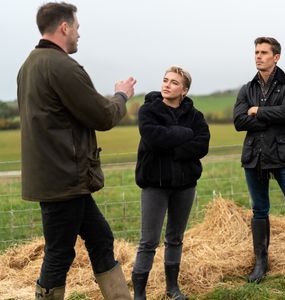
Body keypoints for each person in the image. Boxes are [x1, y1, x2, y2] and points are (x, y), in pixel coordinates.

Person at [17, 2, 136, 299]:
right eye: (77, 28)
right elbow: (103, 116)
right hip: (64, 180)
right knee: (59, 255)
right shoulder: (61, 66)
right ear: (64, 27)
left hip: (62, 179)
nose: (79, 34)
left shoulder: (28, 66)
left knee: (100, 238)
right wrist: (122, 94)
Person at [233, 37, 285, 283]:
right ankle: (261, 263)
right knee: (259, 210)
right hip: (255, 156)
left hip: (284, 156)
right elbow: (239, 121)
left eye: (264, 52)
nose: (258, 56)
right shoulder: (247, 89)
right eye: (256, 52)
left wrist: (258, 111)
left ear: (276, 57)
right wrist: (270, 115)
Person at [132, 66, 210, 300]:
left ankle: (172, 288)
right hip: (155, 184)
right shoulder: (148, 110)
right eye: (165, 80)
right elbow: (154, 139)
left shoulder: (195, 116)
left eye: (174, 82)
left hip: (185, 185)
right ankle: (139, 294)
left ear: (184, 90)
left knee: (175, 238)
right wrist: (185, 134)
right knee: (149, 241)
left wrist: (172, 146)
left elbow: (202, 145)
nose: (167, 85)